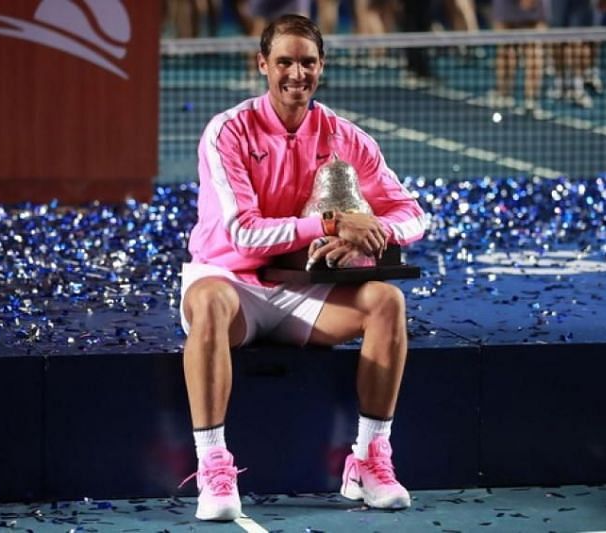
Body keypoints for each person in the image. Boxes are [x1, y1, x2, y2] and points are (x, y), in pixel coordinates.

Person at [179, 13, 427, 521]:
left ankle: (368, 460)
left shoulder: (344, 136)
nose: (297, 73)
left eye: (308, 62)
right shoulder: (227, 132)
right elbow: (243, 233)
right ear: (263, 65)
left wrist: (375, 230)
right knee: (207, 304)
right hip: (233, 283)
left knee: (387, 302)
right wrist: (334, 226)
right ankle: (214, 467)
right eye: (285, 61)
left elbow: (412, 214)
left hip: (304, 291)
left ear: (322, 66)